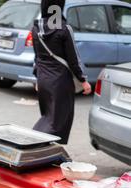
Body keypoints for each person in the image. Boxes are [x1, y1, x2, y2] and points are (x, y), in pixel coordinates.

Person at [32, 0, 91, 144]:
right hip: (60, 82)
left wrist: (36, 78)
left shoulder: (35, 29)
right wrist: (83, 80)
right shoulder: (64, 29)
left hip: (43, 80)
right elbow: (73, 59)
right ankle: (34, 145)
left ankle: (41, 148)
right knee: (58, 122)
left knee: (48, 118)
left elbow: (37, 57)